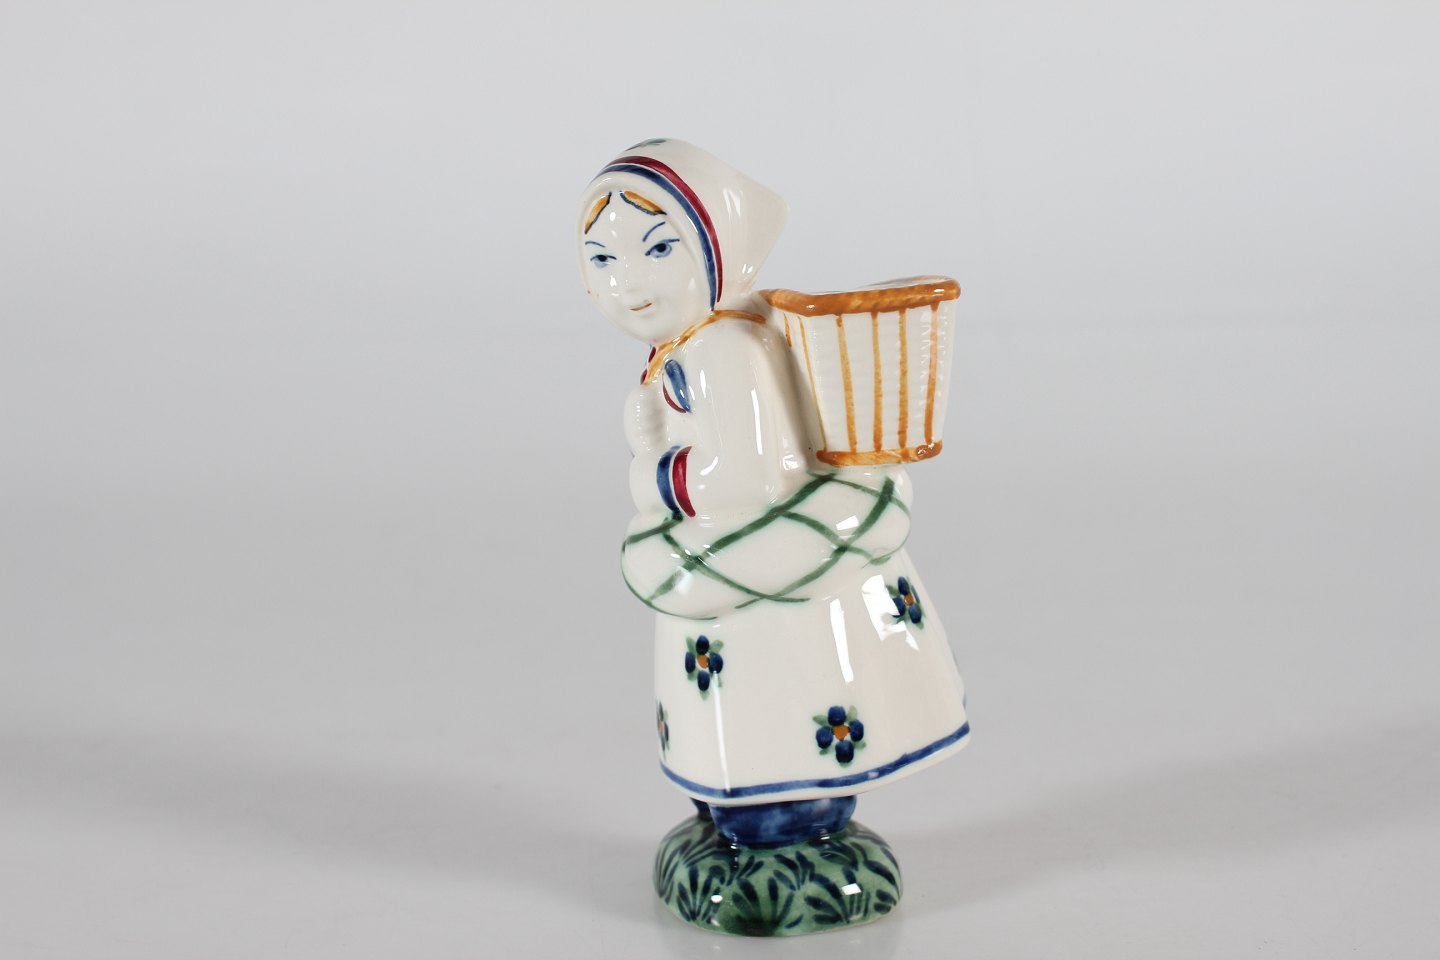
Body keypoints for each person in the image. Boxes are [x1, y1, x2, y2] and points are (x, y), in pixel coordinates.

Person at [578, 139, 969, 845]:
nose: (625, 280)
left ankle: (787, 819)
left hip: (763, 570)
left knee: (777, 719)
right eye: (602, 259)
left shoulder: (721, 351)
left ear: (721, 255)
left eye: (659, 249)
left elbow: (741, 480)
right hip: (727, 569)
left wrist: (651, 468)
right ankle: (738, 805)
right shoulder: (689, 347)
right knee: (729, 723)